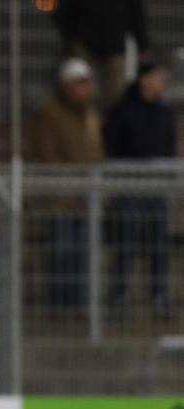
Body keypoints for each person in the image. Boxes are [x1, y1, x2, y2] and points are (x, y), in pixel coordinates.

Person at [27, 58, 104, 314]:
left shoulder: (91, 115)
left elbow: (96, 152)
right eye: (78, 83)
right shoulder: (50, 113)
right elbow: (46, 154)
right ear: (65, 85)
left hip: (87, 195)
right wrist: (64, 185)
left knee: (84, 253)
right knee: (61, 252)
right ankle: (58, 305)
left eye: (85, 83)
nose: (83, 89)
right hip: (61, 197)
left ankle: (80, 305)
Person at [103, 62, 176, 320]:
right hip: (130, 186)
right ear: (144, 80)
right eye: (157, 77)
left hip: (157, 186)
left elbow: (169, 146)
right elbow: (110, 145)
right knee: (126, 242)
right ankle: (120, 294)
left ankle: (159, 295)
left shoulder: (165, 112)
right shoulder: (123, 110)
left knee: (159, 245)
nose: (162, 83)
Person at [54, 0, 150, 108]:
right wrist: (73, 39)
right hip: (85, 46)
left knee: (118, 92)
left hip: (114, 46)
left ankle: (114, 117)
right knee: (87, 92)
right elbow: (62, 12)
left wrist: (143, 44)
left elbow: (136, 12)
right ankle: (90, 117)